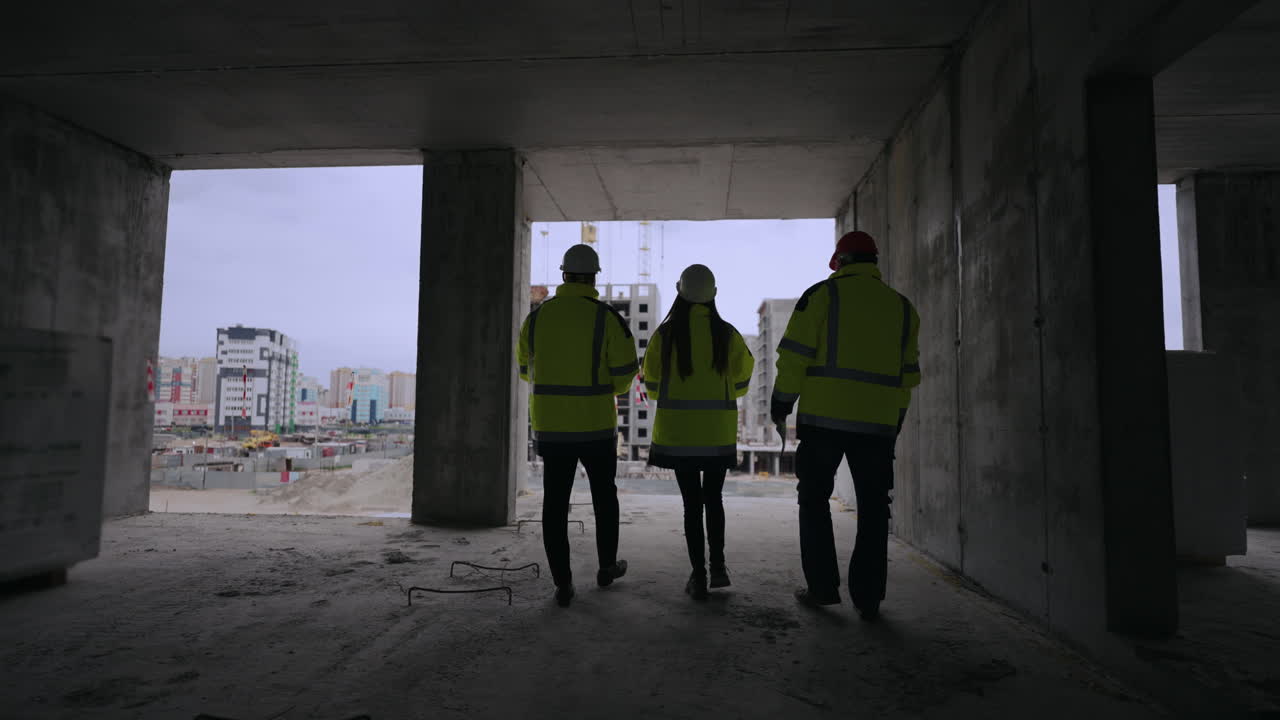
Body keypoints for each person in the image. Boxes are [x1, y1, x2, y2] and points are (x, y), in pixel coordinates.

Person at [771, 231, 921, 620]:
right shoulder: (903, 309)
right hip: (877, 426)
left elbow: (794, 357)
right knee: (874, 509)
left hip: (824, 422)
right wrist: (895, 421)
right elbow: (907, 378)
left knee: (814, 500)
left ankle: (822, 588)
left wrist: (781, 403)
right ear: (874, 262)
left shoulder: (822, 296)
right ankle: (868, 597)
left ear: (838, 262)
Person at [517, 244, 637, 607]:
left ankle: (563, 584)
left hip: (552, 428)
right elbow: (624, 375)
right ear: (594, 277)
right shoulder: (608, 318)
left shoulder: (537, 318)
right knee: (605, 497)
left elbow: (525, 370)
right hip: (596, 427)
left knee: (555, 504)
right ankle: (605, 568)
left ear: (563, 275)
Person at [643, 264, 753, 601]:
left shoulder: (665, 335)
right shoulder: (728, 334)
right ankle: (719, 566)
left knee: (692, 505)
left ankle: (699, 575)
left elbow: (651, 386)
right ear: (714, 294)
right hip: (717, 433)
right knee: (714, 499)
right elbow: (742, 380)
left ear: (680, 291)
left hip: (678, 434)